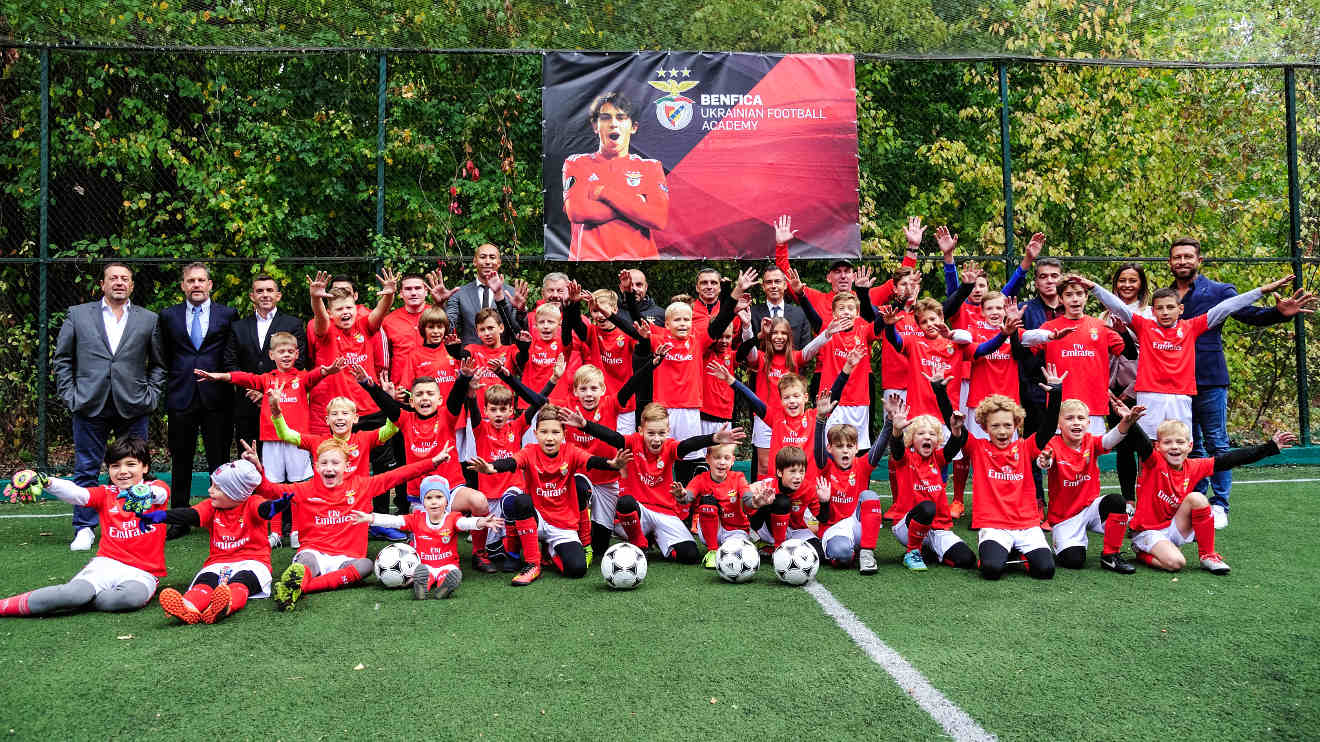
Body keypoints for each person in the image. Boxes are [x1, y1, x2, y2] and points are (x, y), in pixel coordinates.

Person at [1167, 237, 1317, 528]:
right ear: (1170, 263)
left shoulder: (1219, 291)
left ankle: (1220, 504)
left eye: (1188, 256)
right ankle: (1195, 500)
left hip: (1210, 378)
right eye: (1177, 257)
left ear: (1199, 260)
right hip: (1176, 381)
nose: (1182, 261)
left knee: (1217, 442)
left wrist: (1278, 313)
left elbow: (1251, 315)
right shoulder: (1165, 296)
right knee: (1191, 445)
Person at [1084, 273, 1294, 440]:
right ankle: (1148, 493)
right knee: (1149, 449)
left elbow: (1227, 306)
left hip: (1180, 396)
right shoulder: (1144, 326)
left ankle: (1179, 494)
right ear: (1153, 311)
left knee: (1178, 446)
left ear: (1180, 309)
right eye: (1160, 308)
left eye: (1170, 307)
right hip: (1149, 396)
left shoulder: (1192, 327)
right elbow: (1117, 306)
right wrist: (1093, 287)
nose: (1165, 312)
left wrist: (1262, 290)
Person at [52, 262, 167, 552]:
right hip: (89, 402)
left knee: (135, 468)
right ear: (102, 284)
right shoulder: (77, 315)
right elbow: (62, 359)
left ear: (131, 286)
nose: (119, 282)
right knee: (87, 468)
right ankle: (85, 528)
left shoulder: (148, 319)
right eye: (113, 278)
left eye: (124, 279)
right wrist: (71, 395)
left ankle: (137, 524)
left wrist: (151, 395)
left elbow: (159, 364)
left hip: (133, 403)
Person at [264, 438, 455, 611]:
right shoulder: (304, 489)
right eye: (323, 463)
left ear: (346, 466)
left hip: (347, 558)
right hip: (315, 552)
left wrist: (432, 463)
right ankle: (298, 583)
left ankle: (299, 587)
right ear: (316, 466)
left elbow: (397, 475)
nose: (329, 468)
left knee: (366, 565)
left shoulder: (361, 486)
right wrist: (258, 469)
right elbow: (271, 490)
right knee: (306, 561)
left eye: (335, 463)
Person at [196, 332, 338, 546]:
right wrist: (218, 376)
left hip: (296, 441)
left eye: (291, 351)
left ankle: (297, 533)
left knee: (300, 485)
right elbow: (240, 377)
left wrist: (329, 370)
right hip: (271, 442)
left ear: (297, 354)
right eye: (281, 351)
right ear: (272, 355)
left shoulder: (302, 377)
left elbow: (319, 373)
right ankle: (276, 533)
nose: (286, 355)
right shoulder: (266, 379)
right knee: (273, 486)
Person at [0, 438, 168, 616]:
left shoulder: (155, 487)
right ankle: (4, 605)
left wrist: (145, 494)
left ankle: (86, 599)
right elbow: (77, 494)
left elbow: (161, 494)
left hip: (143, 572)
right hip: (107, 564)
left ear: (145, 468)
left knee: (127, 599)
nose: (123, 471)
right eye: (115, 466)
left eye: (131, 464)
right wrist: (46, 481)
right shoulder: (105, 493)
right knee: (72, 594)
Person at [469, 408, 632, 585]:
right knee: (520, 500)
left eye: (555, 432)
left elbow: (592, 461)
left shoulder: (571, 451)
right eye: (544, 432)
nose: (549, 438)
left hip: (562, 523)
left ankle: (550, 550)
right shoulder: (529, 451)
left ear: (564, 434)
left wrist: (613, 464)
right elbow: (511, 462)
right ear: (535, 433)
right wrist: (491, 468)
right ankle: (532, 564)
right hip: (536, 518)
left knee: (577, 569)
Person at [1127, 420, 1296, 575]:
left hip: (1173, 526)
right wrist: (1130, 420)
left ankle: (1208, 556)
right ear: (1157, 446)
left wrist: (1269, 448)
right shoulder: (1154, 462)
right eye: (1167, 442)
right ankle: (1141, 552)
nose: (1174, 447)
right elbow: (1142, 443)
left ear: (1190, 446)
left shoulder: (1193, 466)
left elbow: (1229, 459)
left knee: (1198, 498)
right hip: (1147, 531)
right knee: (1176, 563)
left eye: (1180, 442)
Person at [145, 452, 293, 624]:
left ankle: (225, 605)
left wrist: (274, 507)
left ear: (235, 493)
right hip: (218, 562)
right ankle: (187, 607)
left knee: (241, 582)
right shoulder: (211, 507)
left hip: (253, 561)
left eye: (217, 488)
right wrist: (160, 516)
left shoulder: (252, 503)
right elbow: (189, 515)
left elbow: (263, 509)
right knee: (204, 583)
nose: (210, 491)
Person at [159, 263, 238, 539]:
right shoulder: (168, 316)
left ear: (210, 284)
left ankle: (220, 516)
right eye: (190, 280)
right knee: (181, 459)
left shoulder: (227, 314)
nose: (196, 285)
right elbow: (165, 355)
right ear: (183, 285)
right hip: (181, 394)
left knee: (219, 459)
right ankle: (179, 519)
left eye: (201, 280)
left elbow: (231, 352)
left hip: (217, 397)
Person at [1037, 395, 1145, 574]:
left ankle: (1110, 556)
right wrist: (1044, 461)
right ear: (1059, 424)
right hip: (1065, 517)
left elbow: (1111, 439)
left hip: (1090, 508)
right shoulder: (1053, 444)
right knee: (1073, 561)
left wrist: (1126, 422)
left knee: (1117, 501)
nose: (1076, 423)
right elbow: (1043, 462)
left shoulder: (1091, 441)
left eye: (1080, 418)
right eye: (1069, 418)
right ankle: (1066, 541)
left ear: (1088, 423)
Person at [562, 91, 670, 260]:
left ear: (633, 127)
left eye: (621, 117)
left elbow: (658, 219)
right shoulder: (577, 164)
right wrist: (637, 204)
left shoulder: (650, 167)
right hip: (590, 261)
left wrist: (604, 192)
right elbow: (577, 212)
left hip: (639, 263)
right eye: (605, 118)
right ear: (595, 126)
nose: (613, 123)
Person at [352, 476, 499, 600]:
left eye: (439, 497)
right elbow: (394, 520)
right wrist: (371, 518)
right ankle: (421, 586)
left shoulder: (453, 518)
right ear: (423, 502)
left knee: (447, 573)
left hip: (447, 563)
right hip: (425, 564)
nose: (434, 501)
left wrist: (482, 522)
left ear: (447, 501)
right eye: (429, 498)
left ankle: (444, 587)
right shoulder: (416, 519)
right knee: (424, 573)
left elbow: (467, 523)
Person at [224, 274, 309, 457]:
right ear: (252, 296)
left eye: (270, 290)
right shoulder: (238, 327)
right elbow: (230, 362)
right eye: (259, 291)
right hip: (247, 404)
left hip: (283, 405)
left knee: (281, 466)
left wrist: (267, 390)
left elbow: (299, 361)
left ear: (278, 295)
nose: (265, 295)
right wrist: (252, 388)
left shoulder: (292, 324)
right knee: (248, 460)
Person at [1097, 263, 1152, 502]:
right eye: (1122, 280)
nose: (1127, 285)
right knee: (1123, 445)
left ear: (1141, 285)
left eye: (1133, 280)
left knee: (1144, 444)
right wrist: (1106, 388)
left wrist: (1131, 391)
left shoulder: (1149, 314)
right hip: (1111, 390)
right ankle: (1129, 499)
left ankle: (1150, 497)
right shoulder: (1104, 315)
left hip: (1139, 387)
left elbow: (1149, 356)